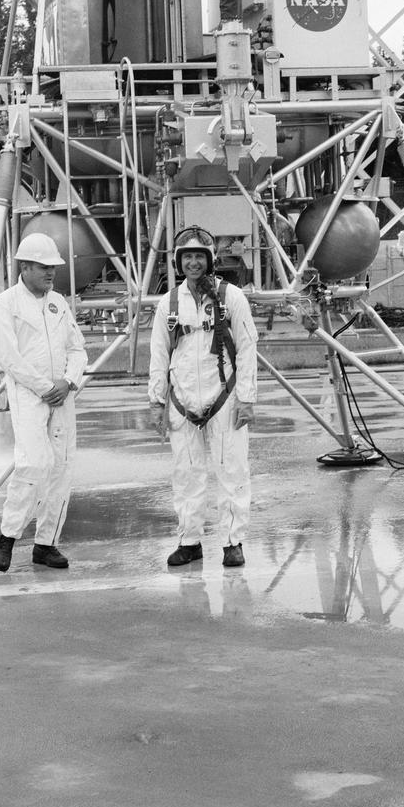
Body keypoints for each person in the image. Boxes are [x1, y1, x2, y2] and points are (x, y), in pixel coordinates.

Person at [148, 227, 258, 568]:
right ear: (179, 262)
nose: (193, 262)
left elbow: (247, 347)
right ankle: (189, 540)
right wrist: (156, 402)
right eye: (187, 257)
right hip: (183, 402)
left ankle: (232, 542)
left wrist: (247, 398)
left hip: (224, 399)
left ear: (210, 260)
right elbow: (159, 355)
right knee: (186, 475)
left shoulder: (231, 298)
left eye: (199, 256)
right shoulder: (168, 303)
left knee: (232, 472)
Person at [0, 232, 89, 573]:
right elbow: (8, 357)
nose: (50, 273)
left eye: (53, 268)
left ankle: (46, 544)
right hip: (28, 395)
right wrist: (46, 387)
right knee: (34, 463)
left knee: (62, 468)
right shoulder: (5, 305)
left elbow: (78, 350)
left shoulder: (58, 302)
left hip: (62, 395)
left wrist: (68, 381)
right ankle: (7, 538)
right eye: (44, 267)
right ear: (25, 266)